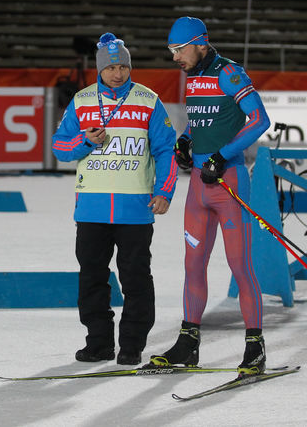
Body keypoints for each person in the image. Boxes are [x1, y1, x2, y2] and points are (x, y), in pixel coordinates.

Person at [148, 17, 271, 377]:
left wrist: (223, 153)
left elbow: (260, 120)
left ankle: (255, 347)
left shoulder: (230, 73)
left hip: (228, 182)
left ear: (200, 42)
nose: (174, 58)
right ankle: (188, 344)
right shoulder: (193, 76)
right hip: (199, 187)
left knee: (240, 266)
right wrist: (186, 141)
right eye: (170, 51)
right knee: (192, 265)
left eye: (178, 50)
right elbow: (201, 121)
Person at [52, 32, 178, 366]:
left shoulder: (148, 100)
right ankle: (98, 343)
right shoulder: (81, 101)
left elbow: (167, 149)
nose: (118, 73)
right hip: (91, 207)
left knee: (135, 278)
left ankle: (132, 344)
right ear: (100, 69)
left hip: (135, 209)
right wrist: (84, 140)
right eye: (111, 68)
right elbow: (59, 147)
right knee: (91, 276)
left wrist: (165, 191)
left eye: (123, 66)